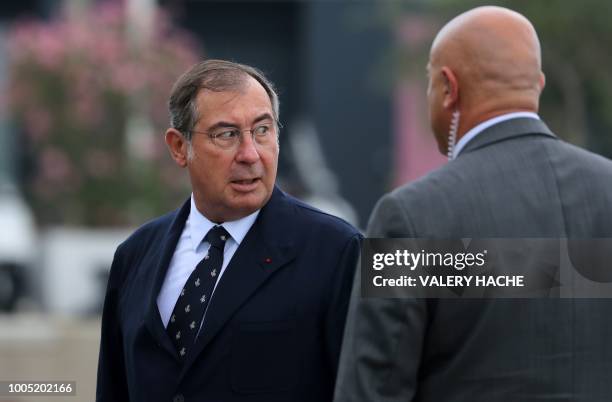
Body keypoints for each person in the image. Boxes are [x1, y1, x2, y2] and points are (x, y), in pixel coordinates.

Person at [334, 6, 612, 402]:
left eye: (429, 82)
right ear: (538, 83)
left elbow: (372, 389)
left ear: (448, 87)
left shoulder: (411, 218)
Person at [96, 59, 362, 402]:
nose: (250, 154)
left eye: (263, 130)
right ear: (179, 147)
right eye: (227, 135)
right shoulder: (135, 255)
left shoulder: (339, 250)